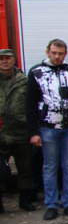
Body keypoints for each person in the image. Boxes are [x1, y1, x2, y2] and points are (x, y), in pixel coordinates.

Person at [27, 39, 68, 221]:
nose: (56, 56)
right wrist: (33, 132)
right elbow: (30, 105)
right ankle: (52, 204)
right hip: (47, 128)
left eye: (60, 53)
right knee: (50, 167)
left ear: (65, 54)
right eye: (54, 53)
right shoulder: (36, 73)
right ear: (47, 52)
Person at [0, 48, 36, 213]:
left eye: (8, 58)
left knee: (25, 169)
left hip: (21, 132)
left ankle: (25, 200)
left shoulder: (24, 81)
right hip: (1, 133)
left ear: (14, 60)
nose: (5, 61)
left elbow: (32, 105)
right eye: (1, 59)